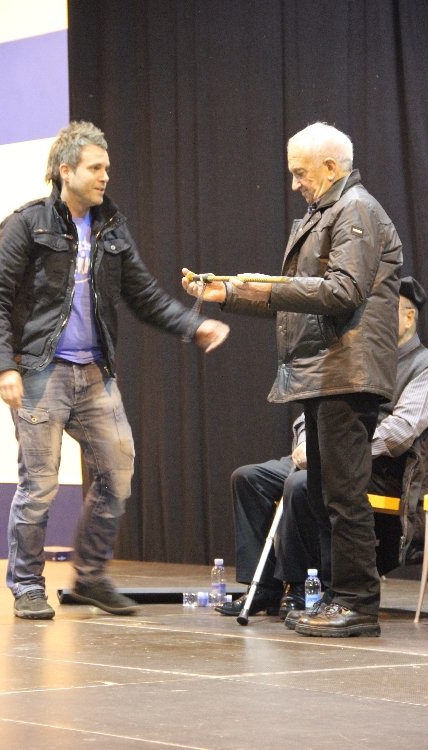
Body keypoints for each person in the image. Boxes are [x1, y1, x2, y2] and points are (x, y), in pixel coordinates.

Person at [0, 121, 229, 620]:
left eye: (106, 168)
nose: (105, 177)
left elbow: (144, 294)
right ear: (65, 171)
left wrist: (193, 325)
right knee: (39, 486)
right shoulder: (27, 224)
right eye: (95, 168)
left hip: (94, 373)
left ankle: (91, 577)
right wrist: (4, 366)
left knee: (118, 474)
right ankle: (27, 585)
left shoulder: (111, 228)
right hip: (39, 372)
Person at [183, 122, 402, 637]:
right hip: (325, 373)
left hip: (346, 374)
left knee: (343, 497)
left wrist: (267, 286)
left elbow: (342, 292)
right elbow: (297, 300)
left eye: (301, 173)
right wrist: (229, 294)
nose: (295, 183)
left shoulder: (356, 210)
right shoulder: (328, 212)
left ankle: (357, 604)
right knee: (324, 495)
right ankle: (334, 598)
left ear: (330, 167)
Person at [215, 279, 428, 627]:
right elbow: (311, 410)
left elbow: (400, 431)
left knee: (303, 483)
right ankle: (262, 587)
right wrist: (306, 442)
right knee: (249, 478)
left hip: (378, 467)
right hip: (326, 450)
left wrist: (336, 451)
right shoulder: (361, 355)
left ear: (408, 317)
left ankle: (300, 587)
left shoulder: (423, 366)